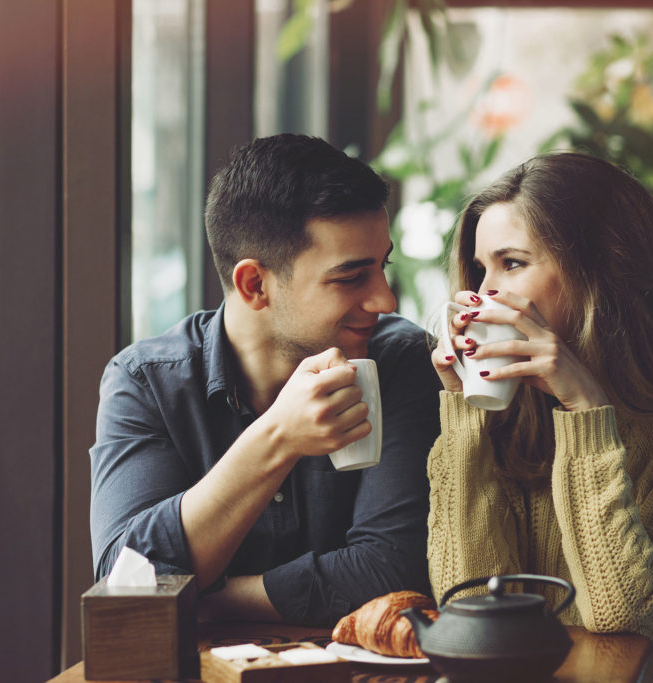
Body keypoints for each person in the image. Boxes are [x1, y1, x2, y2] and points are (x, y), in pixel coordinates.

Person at [428, 152, 653, 682]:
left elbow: (614, 608)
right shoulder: (513, 414)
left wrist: (584, 409)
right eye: (479, 268)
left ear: (599, 273)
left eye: (511, 263)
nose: (483, 292)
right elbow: (466, 604)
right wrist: (466, 416)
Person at [90, 134, 441, 626]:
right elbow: (125, 588)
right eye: (350, 277)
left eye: (382, 267)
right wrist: (278, 437)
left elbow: (392, 572)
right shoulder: (147, 383)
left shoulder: (402, 362)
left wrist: (203, 600)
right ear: (254, 284)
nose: (386, 301)